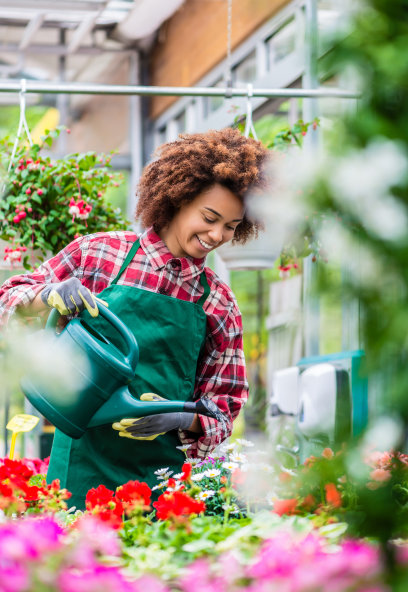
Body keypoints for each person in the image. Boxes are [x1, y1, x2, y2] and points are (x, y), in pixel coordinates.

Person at [0, 128, 269, 509]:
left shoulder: (218, 303)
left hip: (163, 489)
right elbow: (7, 301)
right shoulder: (100, 255)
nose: (217, 235)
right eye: (210, 217)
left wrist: (180, 417)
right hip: (78, 469)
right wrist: (48, 294)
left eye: (230, 226)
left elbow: (223, 406)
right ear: (180, 198)